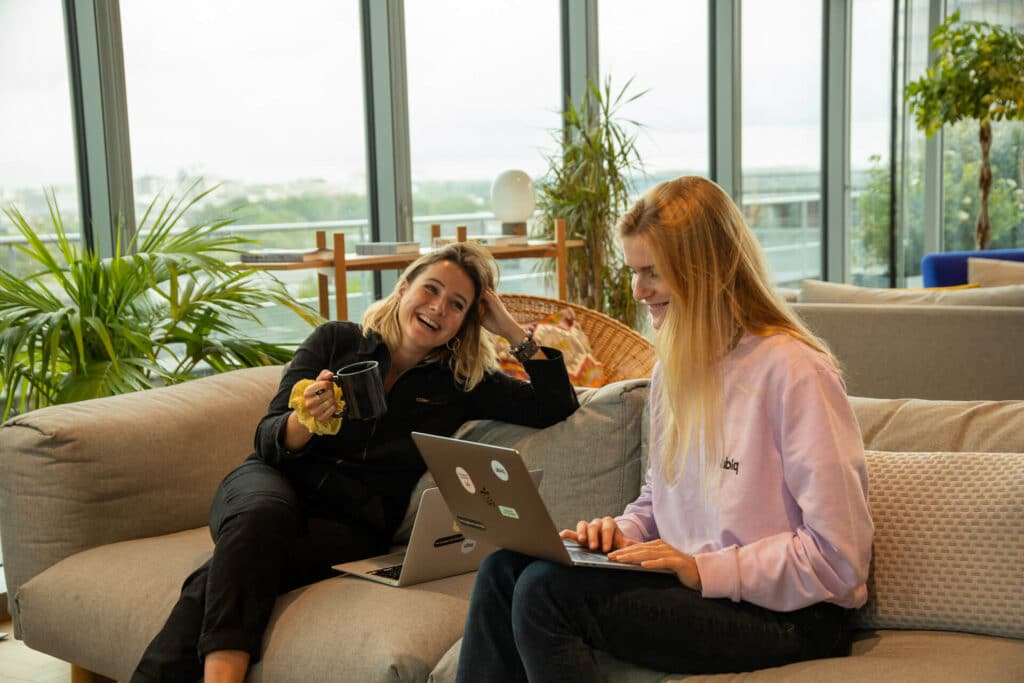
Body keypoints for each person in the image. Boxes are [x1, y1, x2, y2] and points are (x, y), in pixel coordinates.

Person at [456, 176, 874, 681]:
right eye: (634, 271)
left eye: (652, 272)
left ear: (708, 270)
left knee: (546, 593)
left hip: (794, 615)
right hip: (700, 591)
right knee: (504, 571)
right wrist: (621, 533)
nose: (637, 290)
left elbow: (839, 559)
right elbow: (658, 499)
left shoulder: (795, 371)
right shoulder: (672, 370)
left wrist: (704, 569)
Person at [131, 241, 579, 683]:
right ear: (404, 288)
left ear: (465, 323)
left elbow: (555, 405)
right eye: (431, 289)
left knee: (230, 567)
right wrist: (305, 419)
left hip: (349, 523)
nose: (438, 307)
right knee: (259, 520)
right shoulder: (337, 341)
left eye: (457, 304)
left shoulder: (462, 384)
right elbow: (268, 437)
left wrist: (509, 328)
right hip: (271, 481)